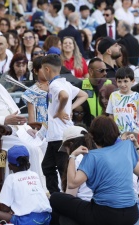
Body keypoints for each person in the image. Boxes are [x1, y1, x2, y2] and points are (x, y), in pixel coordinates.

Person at [50, 116, 139, 225]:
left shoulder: (92, 156)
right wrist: (137, 146)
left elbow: (72, 184)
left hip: (105, 215)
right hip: (131, 214)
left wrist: (72, 156)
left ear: (92, 136)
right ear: (116, 133)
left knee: (55, 198)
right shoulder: (125, 149)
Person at [40, 54, 88, 194]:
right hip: (58, 134)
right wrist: (70, 108)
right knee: (48, 166)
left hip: (59, 135)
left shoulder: (55, 85)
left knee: (61, 168)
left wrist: (61, 110)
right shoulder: (65, 83)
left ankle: (65, 196)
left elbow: (64, 96)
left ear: (47, 69)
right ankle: (57, 195)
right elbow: (83, 95)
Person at [0, 145, 52, 225]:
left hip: (27, 221)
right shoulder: (34, 175)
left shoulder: (11, 178)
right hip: (46, 218)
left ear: (9, 166)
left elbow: (4, 208)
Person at [106, 67, 139, 134]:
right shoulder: (113, 96)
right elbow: (111, 116)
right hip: (118, 134)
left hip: (135, 134)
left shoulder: (137, 96)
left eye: (125, 81)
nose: (122, 84)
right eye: (119, 81)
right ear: (116, 81)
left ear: (132, 81)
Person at [21, 56, 48, 123]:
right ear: (35, 71)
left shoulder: (56, 85)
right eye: (43, 68)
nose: (47, 70)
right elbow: (32, 116)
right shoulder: (31, 92)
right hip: (41, 127)